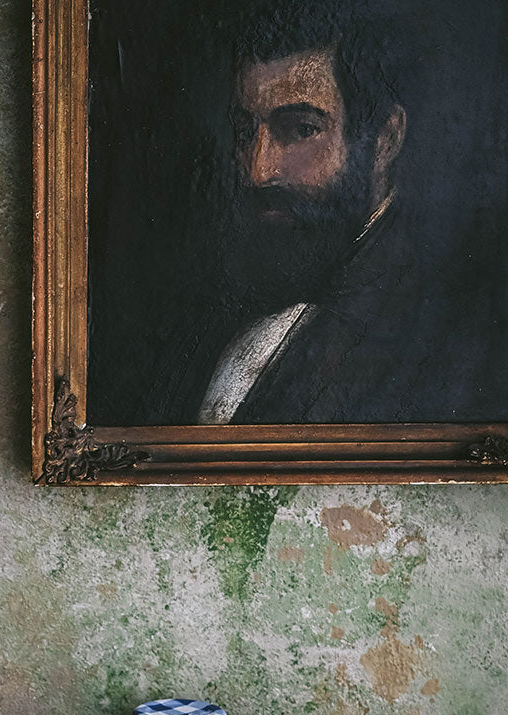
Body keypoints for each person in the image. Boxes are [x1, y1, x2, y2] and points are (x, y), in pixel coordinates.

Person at [144, 5, 506, 425]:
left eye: (300, 130)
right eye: (246, 132)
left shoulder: (456, 334)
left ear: (384, 139)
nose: (258, 170)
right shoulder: (225, 289)